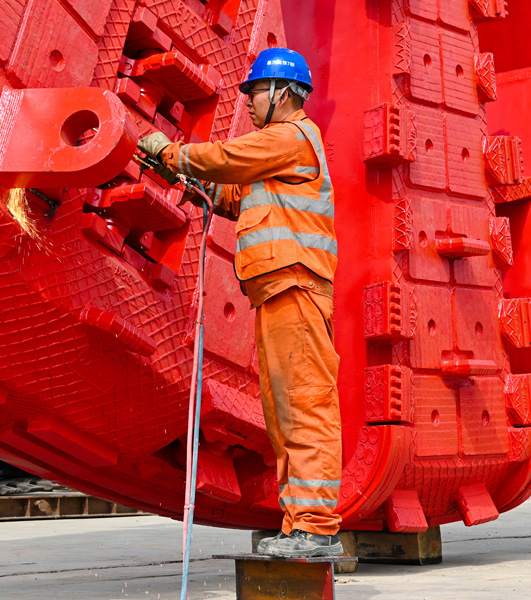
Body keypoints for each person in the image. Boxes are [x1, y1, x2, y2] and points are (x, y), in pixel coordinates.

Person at [137, 48, 342, 558]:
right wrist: (194, 182)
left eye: (254, 93)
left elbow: (228, 159)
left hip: (295, 288)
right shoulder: (281, 155)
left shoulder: (291, 137)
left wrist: (170, 153)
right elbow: (237, 194)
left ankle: (315, 529)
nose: (248, 102)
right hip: (279, 292)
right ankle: (302, 526)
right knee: (285, 412)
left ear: (282, 94)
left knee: (305, 405)